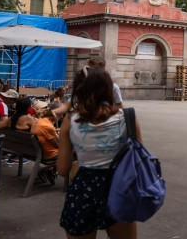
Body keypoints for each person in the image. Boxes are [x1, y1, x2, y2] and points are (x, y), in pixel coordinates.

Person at [57, 67, 139, 238]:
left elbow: (62, 170)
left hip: (83, 188)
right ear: (109, 89)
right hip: (120, 189)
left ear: (79, 90)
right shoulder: (128, 117)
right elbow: (137, 161)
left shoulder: (70, 120)